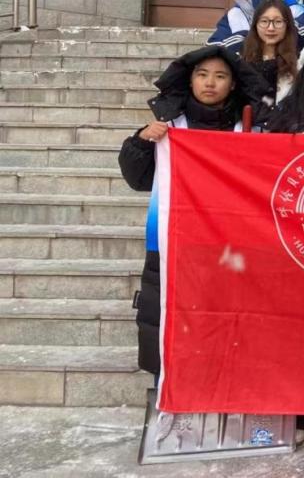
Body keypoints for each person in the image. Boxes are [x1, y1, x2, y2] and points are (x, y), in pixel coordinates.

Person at [118, 46, 270, 379]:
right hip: (173, 245)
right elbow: (136, 178)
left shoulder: (252, 129)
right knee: (170, 327)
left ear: (233, 83)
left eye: (220, 76)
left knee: (230, 329)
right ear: (190, 80)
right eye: (202, 75)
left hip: (234, 249)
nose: (210, 83)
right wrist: (141, 141)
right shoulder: (169, 126)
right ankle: (168, 389)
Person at [239, 0, 299, 104]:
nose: (271, 28)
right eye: (264, 21)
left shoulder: (298, 64)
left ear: (287, 25)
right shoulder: (242, 60)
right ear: (255, 25)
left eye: (278, 22)